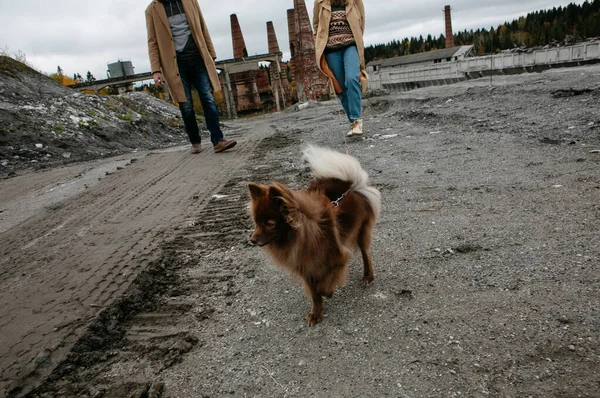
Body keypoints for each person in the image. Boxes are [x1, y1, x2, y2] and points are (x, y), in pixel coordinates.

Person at [145, 0, 236, 154]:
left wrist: (211, 54)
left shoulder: (190, 1)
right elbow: (152, 42)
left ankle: (218, 140)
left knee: (208, 98)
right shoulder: (152, 10)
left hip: (198, 58)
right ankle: (195, 141)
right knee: (186, 106)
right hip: (175, 66)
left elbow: (202, 26)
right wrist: (156, 70)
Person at [313, 0, 367, 137]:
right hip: (331, 50)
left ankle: (357, 120)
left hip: (350, 46)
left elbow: (361, 20)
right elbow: (316, 25)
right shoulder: (319, 2)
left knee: (352, 78)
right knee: (340, 88)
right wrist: (319, 44)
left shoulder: (354, 1)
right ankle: (353, 122)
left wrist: (358, 38)